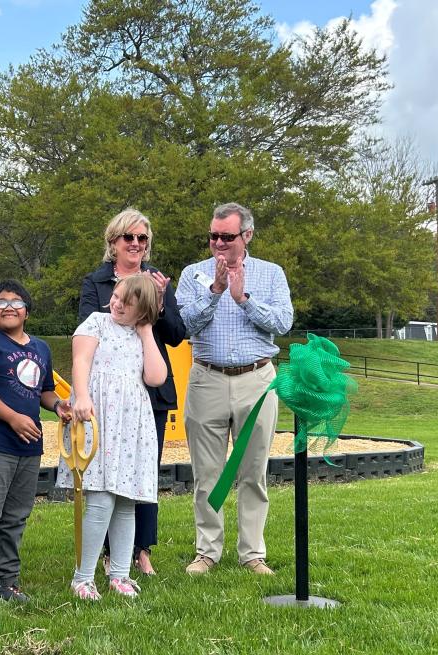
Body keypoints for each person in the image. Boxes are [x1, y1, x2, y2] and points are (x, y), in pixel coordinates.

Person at [174, 202, 293, 576]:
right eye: (213, 236)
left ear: (247, 236)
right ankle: (207, 551)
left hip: (256, 378)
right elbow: (183, 323)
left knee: (253, 471)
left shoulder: (271, 274)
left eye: (227, 236)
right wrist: (215, 290)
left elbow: (283, 322)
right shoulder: (193, 275)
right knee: (206, 472)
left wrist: (243, 298)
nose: (218, 243)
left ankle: (252, 553)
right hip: (206, 376)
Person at [0, 280, 72, 612]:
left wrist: (58, 405)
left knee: (16, 516)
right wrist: (12, 418)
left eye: (15, 302)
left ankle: (5, 581)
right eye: (0, 302)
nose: (8, 307)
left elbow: (45, 390)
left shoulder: (41, 348)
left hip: (29, 447)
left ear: (27, 312)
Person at [78, 208, 185, 576]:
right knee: (108, 473)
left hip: (149, 392)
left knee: (142, 472)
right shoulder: (96, 283)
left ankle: (141, 550)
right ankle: (107, 555)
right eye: (130, 238)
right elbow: (89, 330)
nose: (137, 244)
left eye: (143, 239)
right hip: (109, 392)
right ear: (114, 242)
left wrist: (159, 300)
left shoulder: (156, 280)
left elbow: (175, 334)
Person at [58, 274, 167, 601]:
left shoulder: (139, 334)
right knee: (102, 498)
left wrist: (147, 331)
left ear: (143, 311)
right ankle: (83, 577)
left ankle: (120, 573)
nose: (117, 304)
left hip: (130, 425)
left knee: (125, 500)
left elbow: (156, 376)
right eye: (117, 297)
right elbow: (81, 360)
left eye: (128, 303)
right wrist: (81, 396)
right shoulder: (97, 322)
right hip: (100, 417)